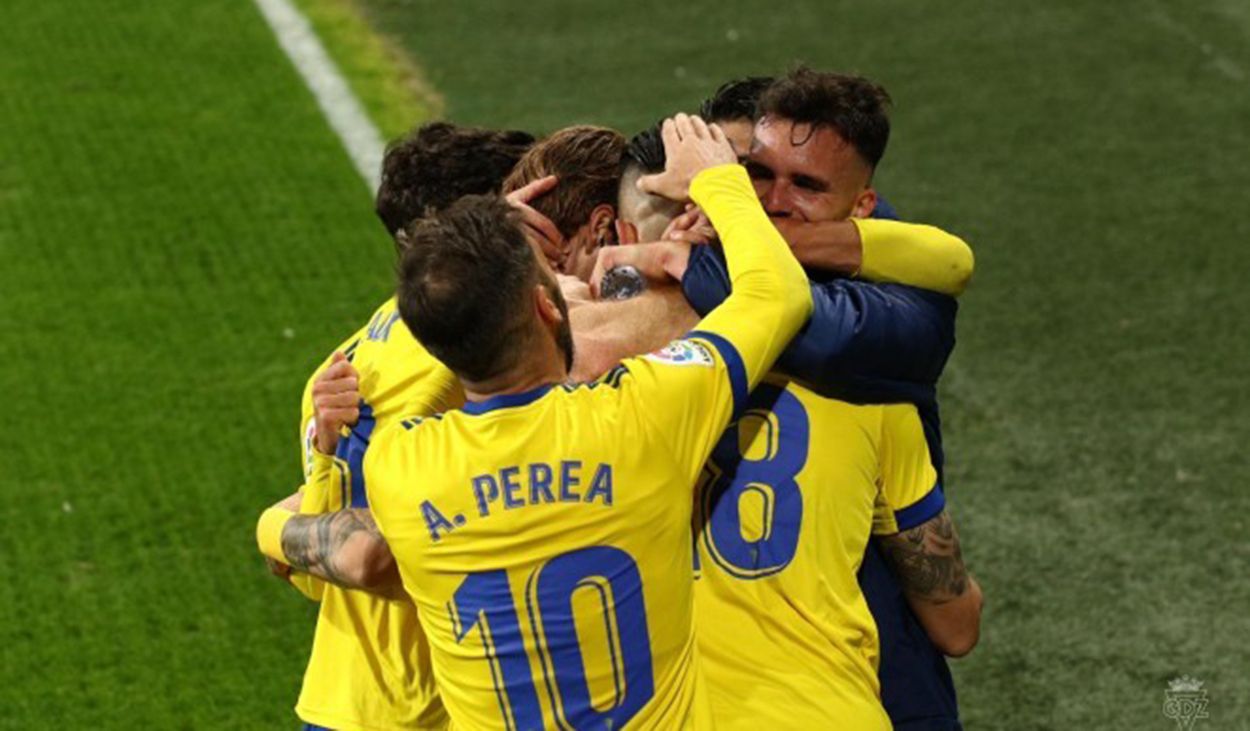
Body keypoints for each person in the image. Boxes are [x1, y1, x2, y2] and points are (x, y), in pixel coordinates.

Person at [257, 114, 812, 729]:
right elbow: (776, 296)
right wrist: (717, 192)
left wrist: (268, 525)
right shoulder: (644, 409)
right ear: (546, 303)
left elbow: (357, 555)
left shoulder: (401, 459)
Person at [283, 121, 533, 731]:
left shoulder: (350, 355)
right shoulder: (463, 357)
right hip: (425, 706)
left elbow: (320, 570)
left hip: (353, 697)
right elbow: (366, 558)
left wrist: (275, 529)